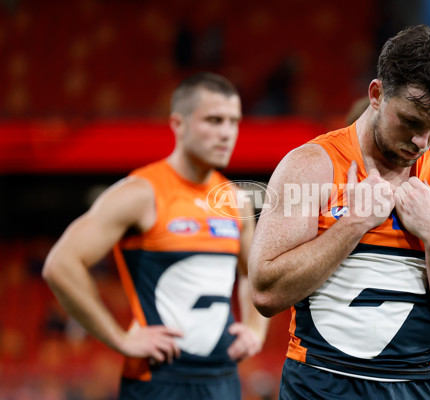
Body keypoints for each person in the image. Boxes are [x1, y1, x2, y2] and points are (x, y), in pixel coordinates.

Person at [248, 25, 430, 399]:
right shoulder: (311, 167)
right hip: (321, 386)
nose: (421, 143)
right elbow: (265, 293)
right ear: (376, 95)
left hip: (417, 389)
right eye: (410, 122)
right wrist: (355, 222)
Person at [43, 72, 269, 400]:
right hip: (159, 381)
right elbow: (60, 265)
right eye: (214, 120)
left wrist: (255, 328)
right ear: (178, 124)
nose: (227, 133)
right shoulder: (140, 194)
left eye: (234, 122)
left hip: (223, 380)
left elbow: (252, 273)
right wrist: (119, 338)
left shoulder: (234, 200)